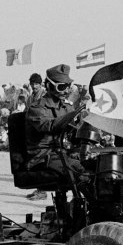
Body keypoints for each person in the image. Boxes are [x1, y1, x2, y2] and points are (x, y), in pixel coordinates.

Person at [24, 64, 85, 194]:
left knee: (98, 170)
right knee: (81, 176)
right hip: (42, 157)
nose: (66, 91)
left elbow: (75, 133)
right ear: (49, 86)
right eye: (62, 87)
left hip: (63, 154)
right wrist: (71, 116)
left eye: (68, 87)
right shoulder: (37, 108)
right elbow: (49, 126)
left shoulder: (67, 107)